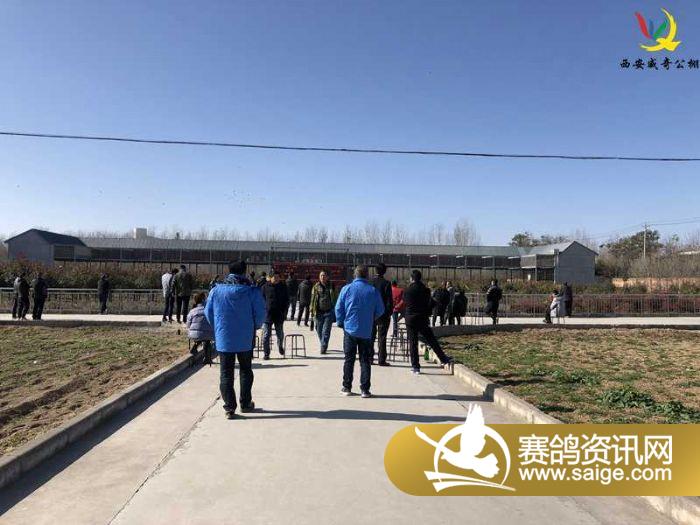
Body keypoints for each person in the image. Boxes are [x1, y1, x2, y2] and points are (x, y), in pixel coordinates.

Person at [204, 261, 265, 419]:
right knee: (245, 370)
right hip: (245, 338)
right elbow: (260, 314)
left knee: (226, 373)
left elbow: (208, 312)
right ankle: (245, 403)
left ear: (229, 270)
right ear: (244, 271)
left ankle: (229, 407)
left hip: (224, 338)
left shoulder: (216, 290)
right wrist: (255, 326)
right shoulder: (251, 291)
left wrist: (218, 327)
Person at [334, 265, 384, 398]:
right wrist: (371, 318)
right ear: (366, 275)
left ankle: (346, 387)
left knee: (349, 359)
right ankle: (365, 389)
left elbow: (338, 308)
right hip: (366, 331)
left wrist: (340, 321)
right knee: (365, 360)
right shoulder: (373, 291)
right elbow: (381, 310)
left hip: (350, 329)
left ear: (355, 275)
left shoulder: (347, 289)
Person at [403, 270, 453, 374]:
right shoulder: (426, 290)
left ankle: (416, 367)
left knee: (413, 343)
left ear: (412, 278)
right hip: (422, 318)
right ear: (420, 278)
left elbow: (406, 303)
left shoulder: (408, 290)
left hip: (411, 319)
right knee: (431, 339)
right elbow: (429, 303)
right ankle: (443, 359)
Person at [261, 271, 289, 359]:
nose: (276, 279)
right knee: (266, 335)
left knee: (280, 334)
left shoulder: (283, 287)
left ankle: (280, 346)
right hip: (267, 315)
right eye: (275, 277)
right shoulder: (265, 287)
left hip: (279, 314)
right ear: (270, 278)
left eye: (278, 277)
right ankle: (266, 353)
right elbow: (261, 300)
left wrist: (284, 313)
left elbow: (286, 301)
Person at [370, 263, 393, 366]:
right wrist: (388, 313)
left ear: (375, 270)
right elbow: (389, 301)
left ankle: (370, 358)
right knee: (382, 337)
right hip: (383, 314)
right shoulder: (386, 283)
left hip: (371, 313)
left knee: (371, 337)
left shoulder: (370, 283)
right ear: (384, 271)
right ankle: (381, 359)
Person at [310, 270, 337, 354]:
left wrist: (336, 309)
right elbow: (313, 299)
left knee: (326, 331)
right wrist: (312, 310)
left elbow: (336, 298)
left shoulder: (332, 286)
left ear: (327, 277)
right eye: (321, 275)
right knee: (318, 329)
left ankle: (323, 346)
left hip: (328, 312)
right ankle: (323, 343)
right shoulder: (316, 287)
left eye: (324, 275)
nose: (322, 277)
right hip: (318, 312)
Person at [187, 292, 215, 365]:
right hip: (207, 334)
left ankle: (194, 347)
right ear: (203, 300)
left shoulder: (192, 311)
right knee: (207, 338)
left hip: (193, 334)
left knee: (201, 335)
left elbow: (188, 324)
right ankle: (207, 358)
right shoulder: (209, 310)